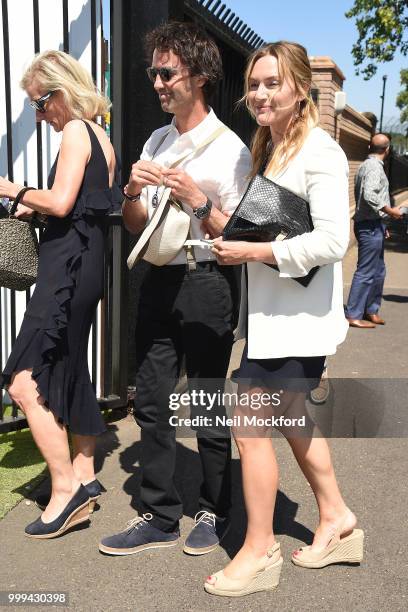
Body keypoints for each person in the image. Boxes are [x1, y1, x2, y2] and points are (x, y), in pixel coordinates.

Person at [205, 41, 364, 597]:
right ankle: (336, 517)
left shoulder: (316, 149)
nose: (260, 93)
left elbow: (332, 240)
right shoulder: (270, 149)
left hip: (297, 323)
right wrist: (208, 215)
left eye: (273, 82)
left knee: (249, 428)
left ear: (300, 89)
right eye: (254, 84)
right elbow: (260, 230)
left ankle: (258, 547)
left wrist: (254, 254)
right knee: (293, 422)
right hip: (275, 320)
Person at [99, 22, 251, 556]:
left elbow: (238, 233)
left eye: (167, 73)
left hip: (208, 280)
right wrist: (134, 192)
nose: (158, 83)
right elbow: (136, 223)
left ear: (200, 76)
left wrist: (196, 199)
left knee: (207, 399)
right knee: (153, 399)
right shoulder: (158, 139)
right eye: (153, 73)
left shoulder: (229, 148)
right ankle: (160, 515)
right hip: (160, 278)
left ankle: (215, 508)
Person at [0, 50, 120, 538]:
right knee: (70, 369)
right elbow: (82, 208)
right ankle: (87, 476)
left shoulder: (74, 131)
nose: (39, 113)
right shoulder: (102, 138)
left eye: (39, 102)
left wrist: (13, 189)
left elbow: (63, 200)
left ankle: (68, 490)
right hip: (86, 264)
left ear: (62, 90)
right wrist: (41, 209)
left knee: (24, 382)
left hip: (66, 268)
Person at [345, 134, 405, 328]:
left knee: (378, 271)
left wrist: (383, 223)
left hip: (375, 225)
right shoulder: (373, 168)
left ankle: (371, 310)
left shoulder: (368, 165)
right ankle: (353, 314)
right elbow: (369, 194)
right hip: (369, 227)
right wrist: (390, 211)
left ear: (370, 146)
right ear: (387, 150)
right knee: (366, 271)